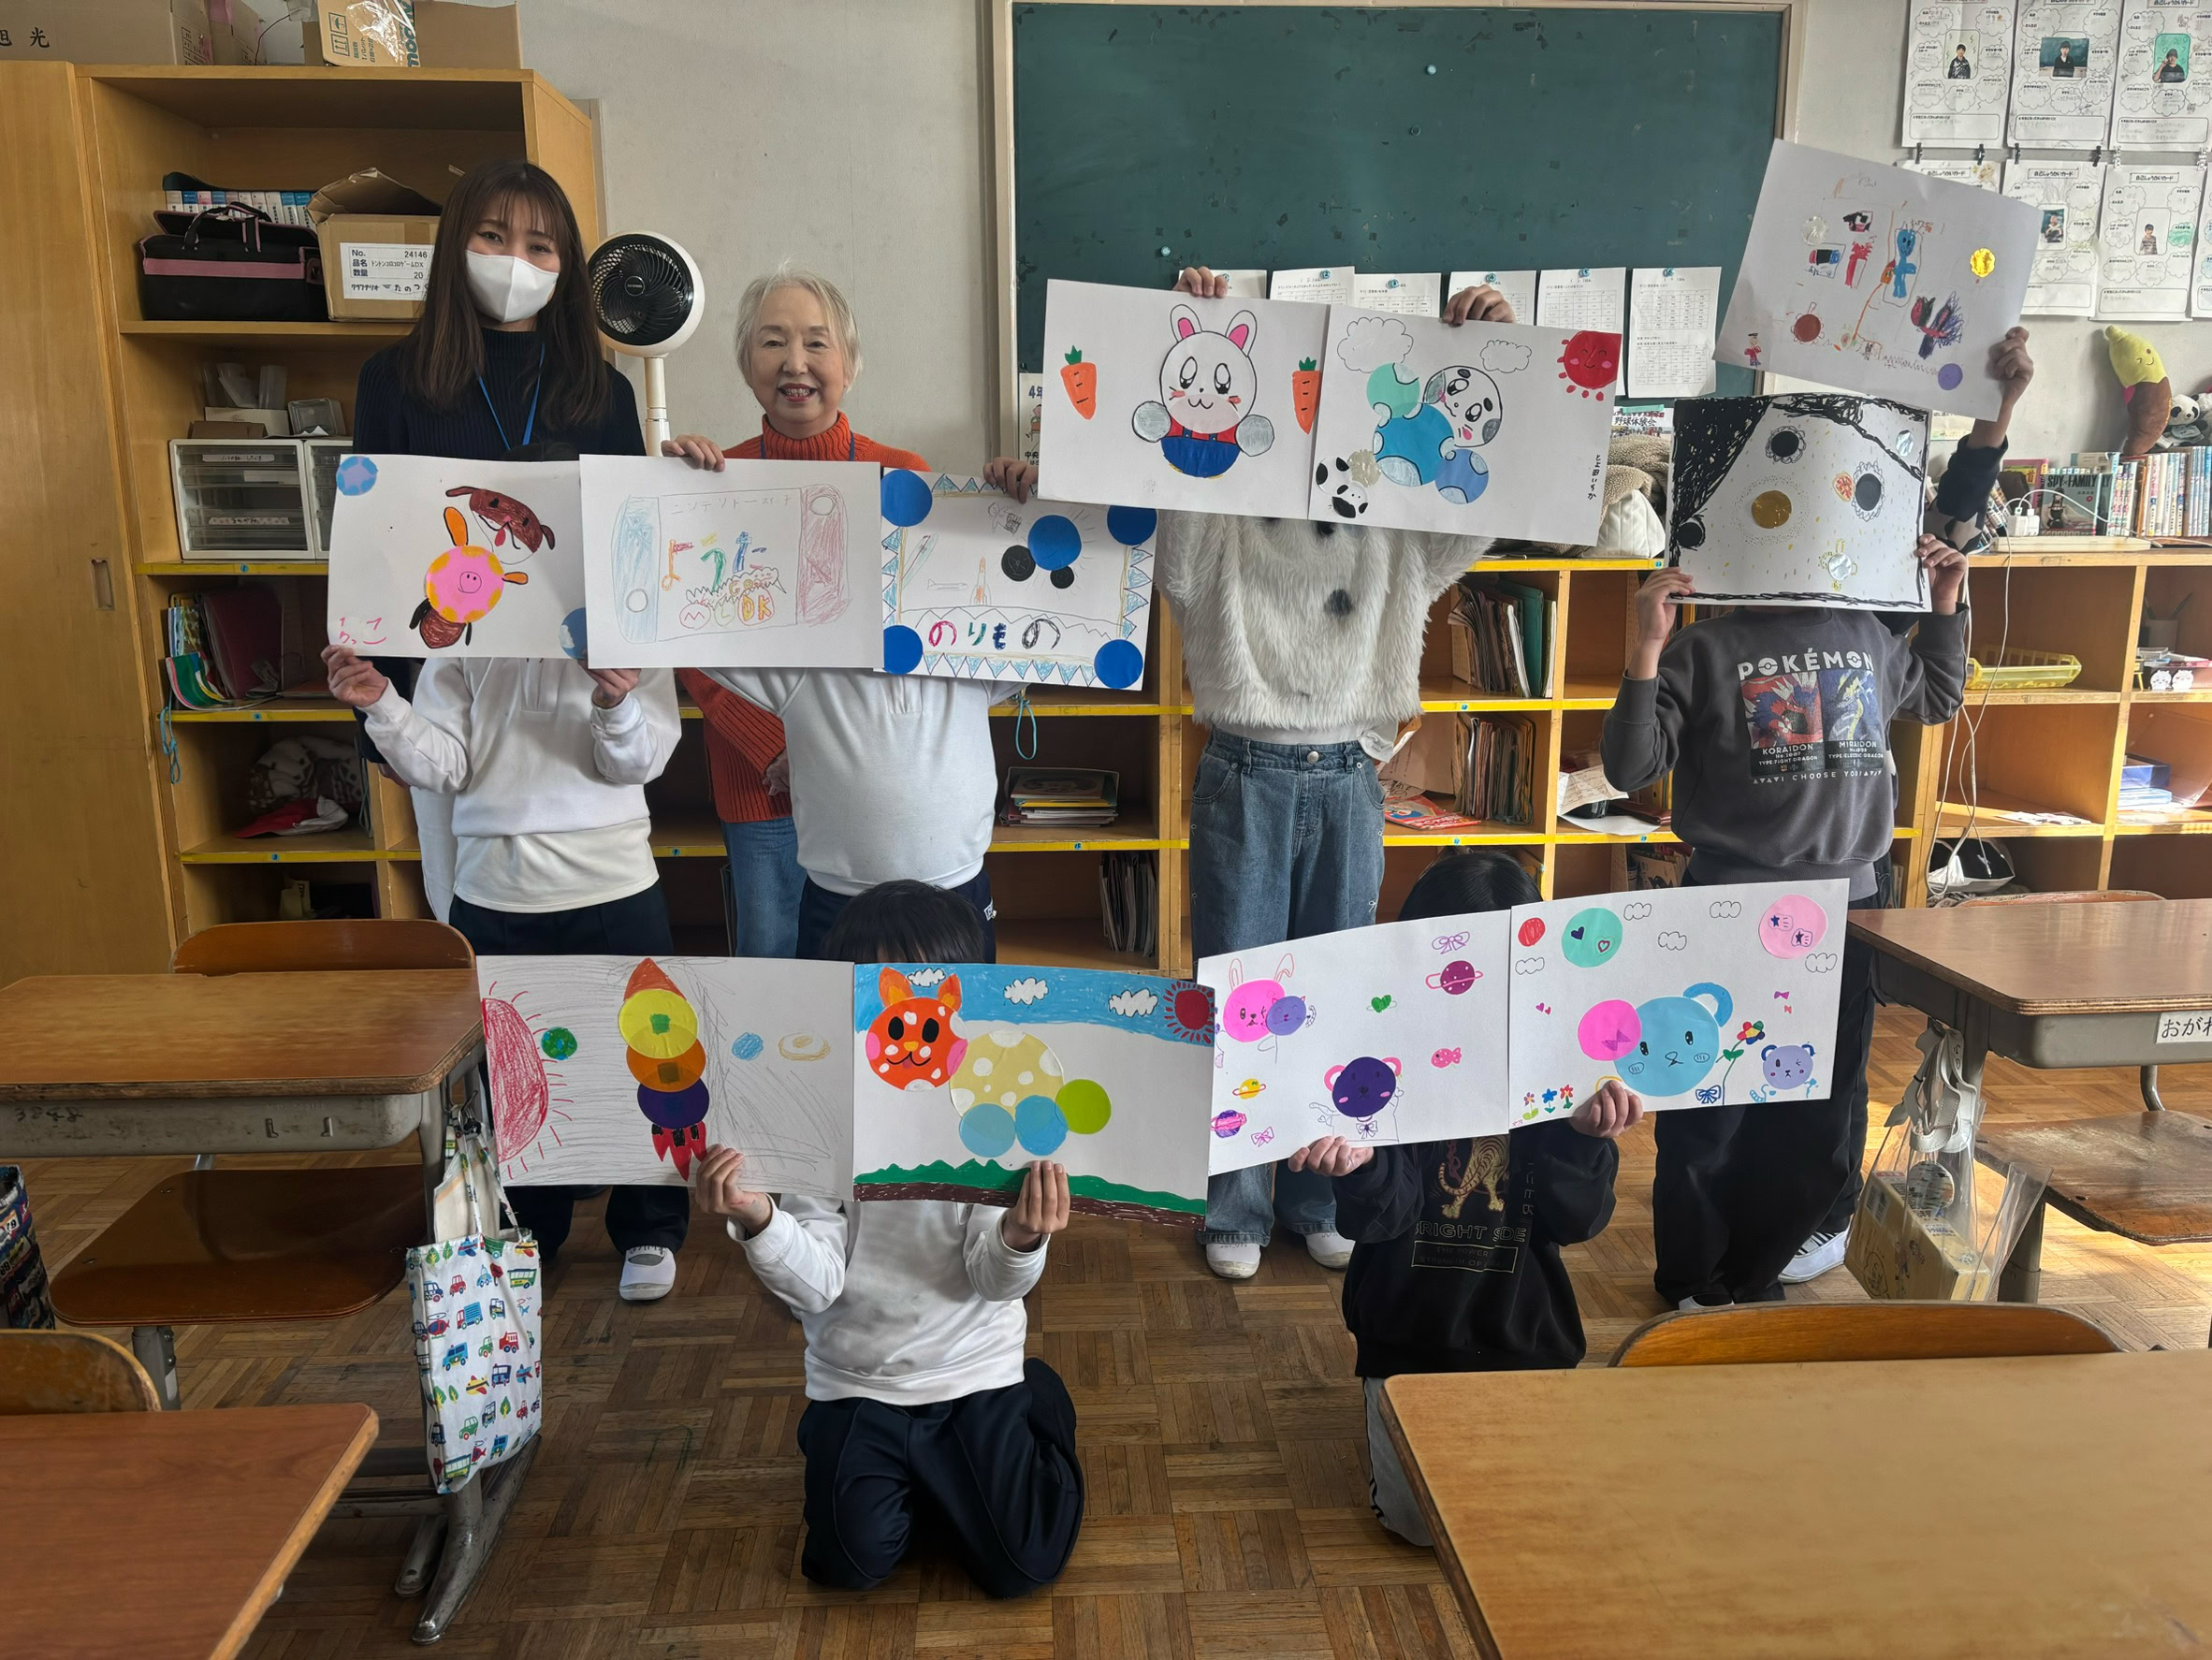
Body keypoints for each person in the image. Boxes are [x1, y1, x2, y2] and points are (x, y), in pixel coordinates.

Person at [986, 268, 1510, 1282]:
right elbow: (1177, 550)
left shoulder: (1389, 507)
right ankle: (1234, 1201)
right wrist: (1200, 343)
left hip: (1349, 772)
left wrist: (1490, 357)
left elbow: (1470, 518)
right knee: (1238, 994)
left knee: (1336, 994)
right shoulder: (1221, 506)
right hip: (1245, 768)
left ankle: (1320, 1188)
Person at [327, 157, 691, 1305]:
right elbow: (382, 534)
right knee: (513, 1036)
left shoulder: (600, 388)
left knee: (637, 1039)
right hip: (455, 676)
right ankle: (526, 1216)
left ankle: (647, 1216)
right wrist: (381, 686)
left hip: (596, 775)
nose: (518, 264)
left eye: (542, 246)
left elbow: (632, 539)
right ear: (455, 249)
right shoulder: (398, 379)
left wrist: (619, 672)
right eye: (494, 237)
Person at [1601, 502, 1970, 1309]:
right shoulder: (1705, 648)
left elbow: (1938, 696)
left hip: (1848, 909)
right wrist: (1647, 647)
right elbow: (1630, 767)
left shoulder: (1869, 635)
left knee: (1816, 1110)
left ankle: (1757, 1268)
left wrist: (1945, 605)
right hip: (1729, 913)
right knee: (1710, 1106)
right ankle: (1695, 1278)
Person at [692, 881, 1084, 1595]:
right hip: (858, 1380)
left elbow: (993, 1280)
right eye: (884, 1008)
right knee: (848, 1565)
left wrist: (1022, 1235)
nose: (909, 1033)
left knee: (1023, 1564)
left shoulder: (989, 1120)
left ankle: (1040, 1399)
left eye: (932, 1013)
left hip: (974, 1372)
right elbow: (817, 1286)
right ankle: (872, 1462)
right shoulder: (825, 1121)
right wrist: (759, 1218)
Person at [663, 267, 1018, 959]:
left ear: (849, 366)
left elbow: (943, 616)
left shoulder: (905, 475)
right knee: (783, 967)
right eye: (772, 342)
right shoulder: (712, 481)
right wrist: (777, 745)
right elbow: (693, 636)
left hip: (883, 773)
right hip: (758, 768)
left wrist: (1018, 512)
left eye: (817, 343)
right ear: (746, 363)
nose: (795, 362)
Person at [1292, 851, 1645, 1546]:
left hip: (1525, 1335)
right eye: (1456, 972)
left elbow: (1578, 1221)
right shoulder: (1381, 1061)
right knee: (1421, 1529)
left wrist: (1583, 1140)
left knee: (1529, 1521)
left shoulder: (1561, 1064)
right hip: (1408, 1336)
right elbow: (1383, 1219)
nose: (1475, 993)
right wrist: (1360, 1166)